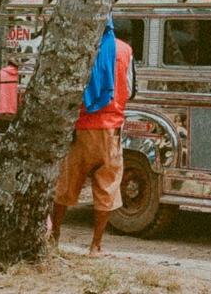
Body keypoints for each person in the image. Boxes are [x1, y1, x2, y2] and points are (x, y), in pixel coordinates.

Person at [51, 18, 135, 255]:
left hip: (81, 126)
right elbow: (130, 89)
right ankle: (95, 245)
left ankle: (54, 235)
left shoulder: (85, 45)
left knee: (66, 185)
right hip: (110, 129)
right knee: (106, 187)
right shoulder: (126, 51)